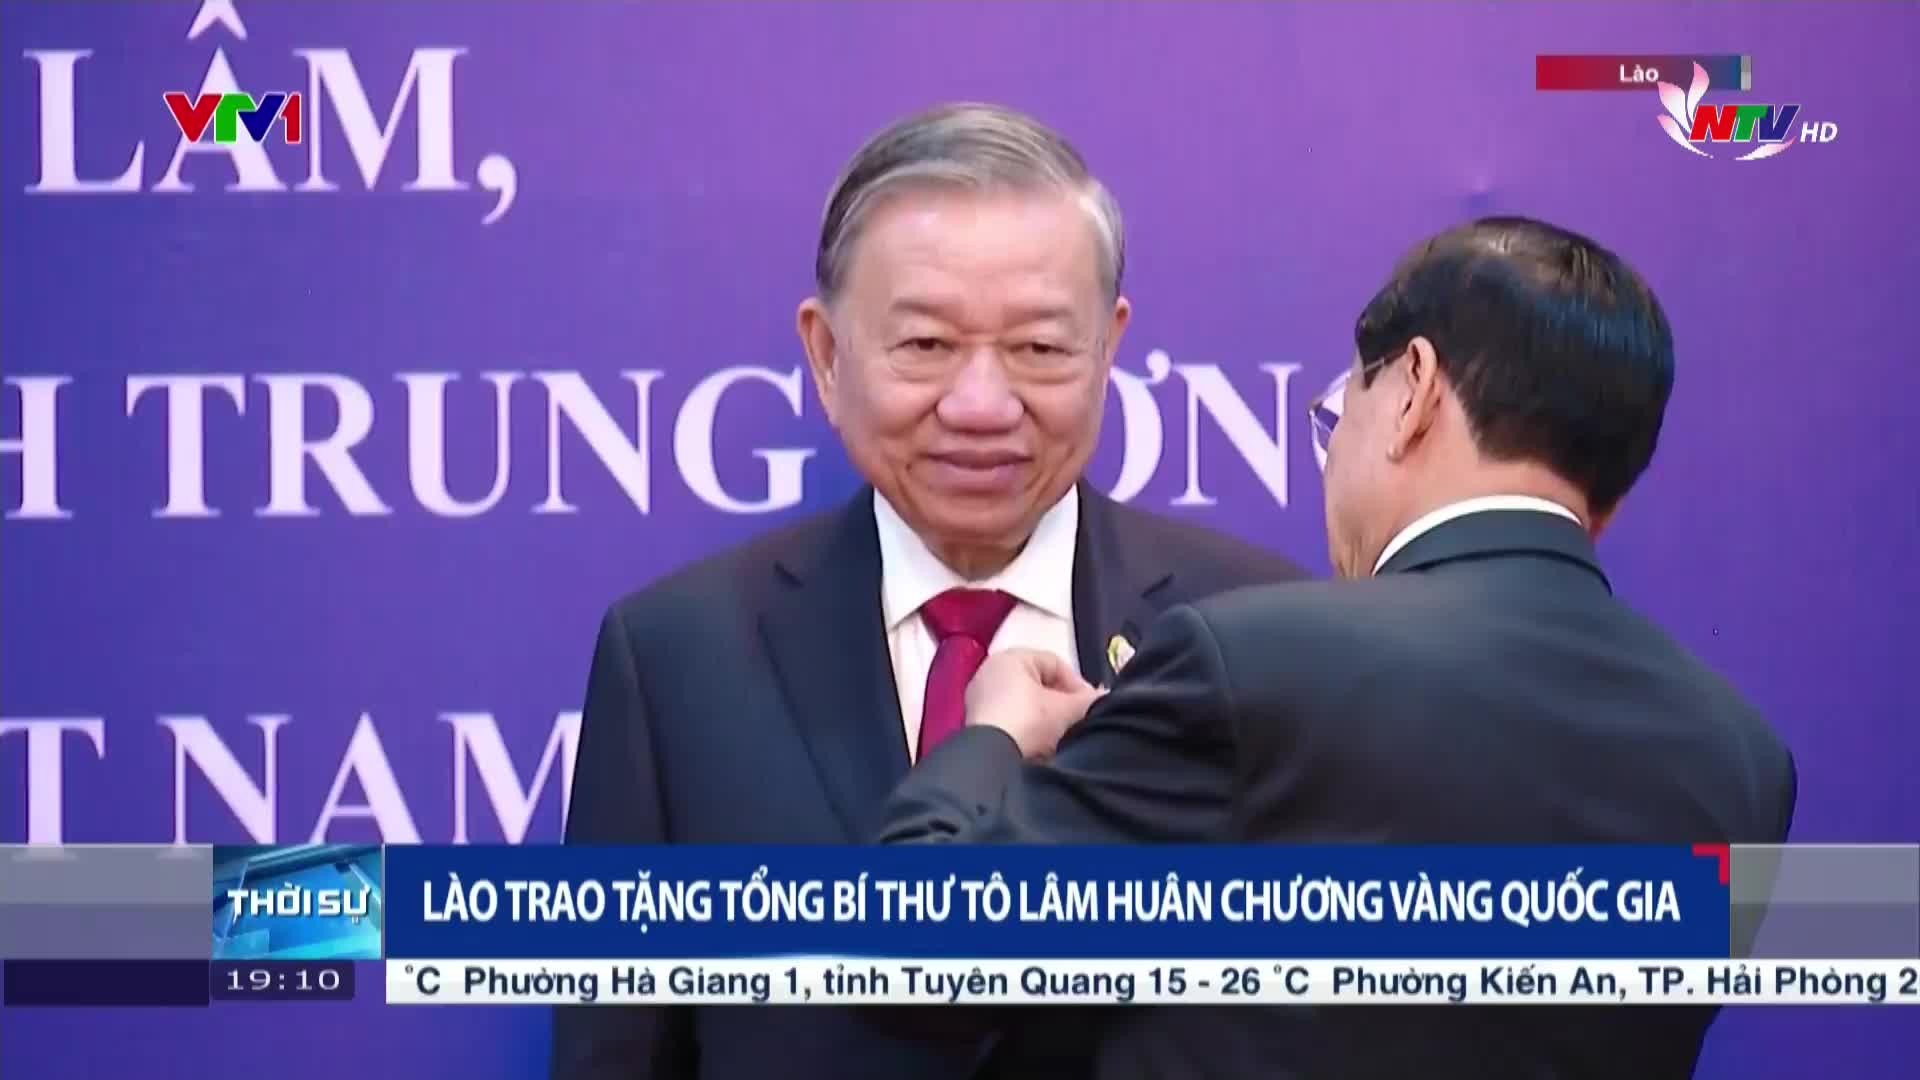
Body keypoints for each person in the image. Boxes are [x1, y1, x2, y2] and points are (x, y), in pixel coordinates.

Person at [878, 216, 1799, 1078]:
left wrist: (991, 733)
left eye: (1338, 410)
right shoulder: (1743, 760)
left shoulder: (1254, 658)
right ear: (1612, 495)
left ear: (1412, 389)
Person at [551, 103, 1308, 1080]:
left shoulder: (1254, 629)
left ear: (1111, 347)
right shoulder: (676, 658)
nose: (983, 406)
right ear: (826, 356)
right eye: (925, 347)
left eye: (1039, 349)